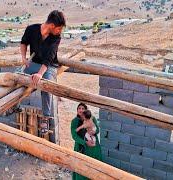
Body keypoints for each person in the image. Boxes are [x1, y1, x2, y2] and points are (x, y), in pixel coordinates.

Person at [20, 10, 66, 142]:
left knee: (46, 85)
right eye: (59, 28)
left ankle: (46, 117)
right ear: (52, 25)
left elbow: (49, 58)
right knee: (18, 77)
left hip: (49, 66)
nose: (60, 31)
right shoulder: (31, 29)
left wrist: (40, 74)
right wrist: (24, 58)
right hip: (34, 63)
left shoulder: (56, 37)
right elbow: (23, 42)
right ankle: (15, 106)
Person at [71, 103, 102, 180]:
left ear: (86, 111)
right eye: (79, 108)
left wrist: (93, 132)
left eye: (83, 108)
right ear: (77, 110)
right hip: (81, 148)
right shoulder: (74, 121)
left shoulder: (92, 118)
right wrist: (85, 142)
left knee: (94, 166)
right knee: (81, 168)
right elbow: (74, 136)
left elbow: (97, 129)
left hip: (93, 148)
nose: (81, 110)